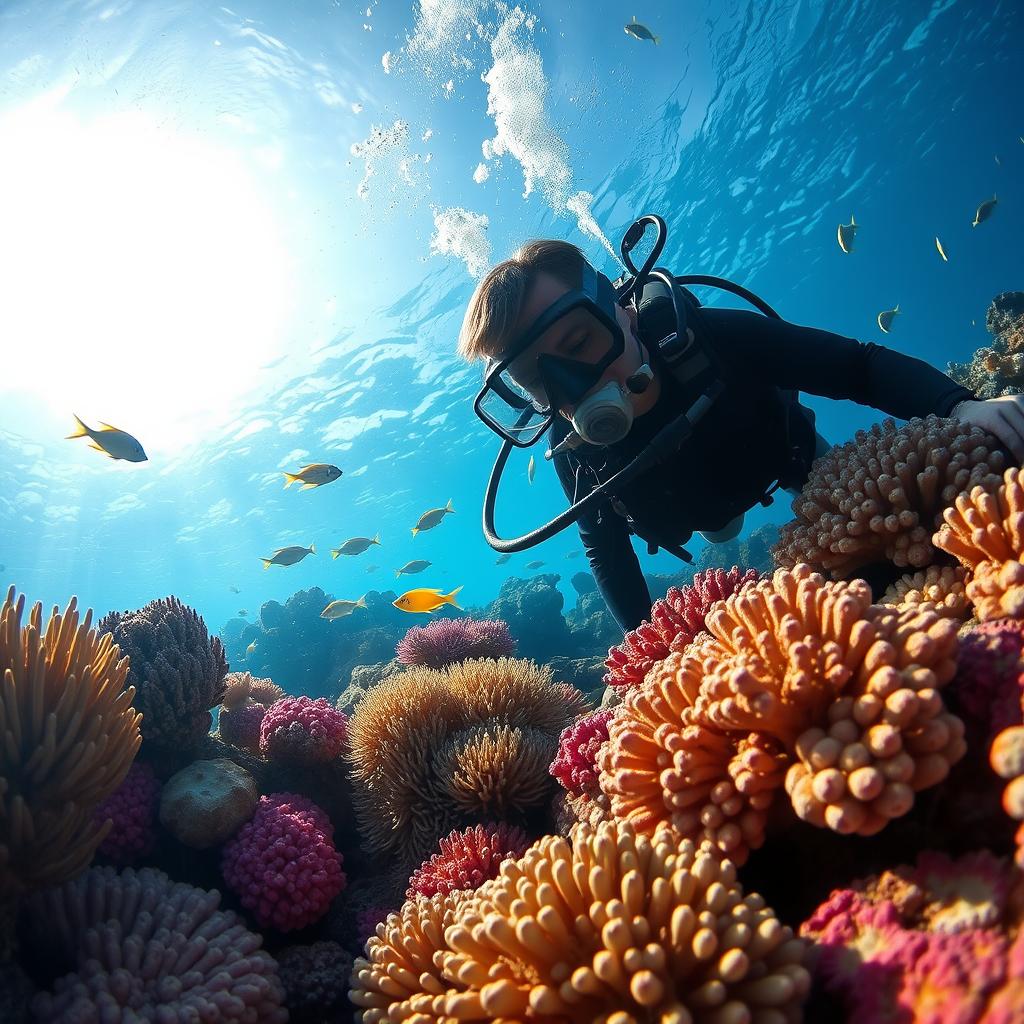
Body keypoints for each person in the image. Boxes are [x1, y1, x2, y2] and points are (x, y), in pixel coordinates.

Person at [458, 238, 1024, 633]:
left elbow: (858, 366)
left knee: (849, 506)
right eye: (539, 381)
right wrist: (649, 654)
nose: (575, 388)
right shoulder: (572, 451)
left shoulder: (713, 339)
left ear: (623, 310)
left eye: (579, 343)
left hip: (783, 459)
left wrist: (961, 406)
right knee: (721, 529)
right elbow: (606, 553)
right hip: (686, 514)